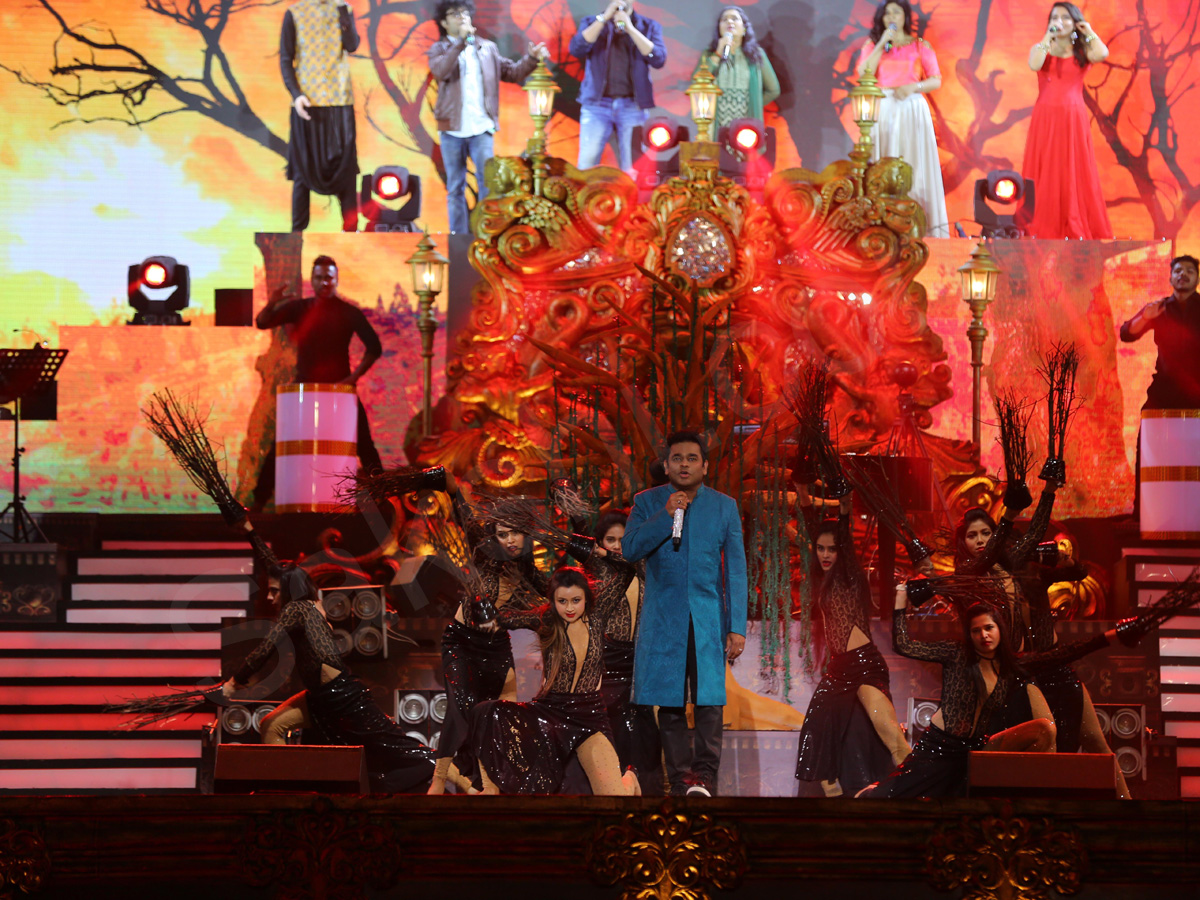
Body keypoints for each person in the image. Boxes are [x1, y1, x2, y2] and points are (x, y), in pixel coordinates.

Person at [222, 564, 436, 792]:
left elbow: (267, 647)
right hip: (319, 697)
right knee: (271, 725)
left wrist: (235, 682)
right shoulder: (311, 604)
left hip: (341, 696)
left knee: (404, 750)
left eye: (274, 591)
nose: (268, 597)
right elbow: (276, 566)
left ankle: (452, 777)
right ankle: (287, 791)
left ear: (289, 589)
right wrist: (252, 538)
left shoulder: (296, 608)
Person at [622, 431, 748, 797]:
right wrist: (665, 515)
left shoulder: (723, 506)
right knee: (670, 699)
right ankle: (679, 780)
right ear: (666, 465)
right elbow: (630, 549)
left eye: (692, 458)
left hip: (708, 617)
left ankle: (704, 777)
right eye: (677, 458)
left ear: (705, 466)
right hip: (664, 618)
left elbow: (735, 571)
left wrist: (736, 626)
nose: (684, 465)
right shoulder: (647, 502)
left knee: (709, 698)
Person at [864, 592, 1060, 798]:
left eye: (989, 628)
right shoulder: (957, 653)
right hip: (940, 748)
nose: (984, 635)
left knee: (1044, 728)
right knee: (889, 797)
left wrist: (1088, 644)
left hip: (976, 749)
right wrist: (900, 599)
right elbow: (904, 645)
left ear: (999, 629)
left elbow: (1057, 656)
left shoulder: (1009, 667)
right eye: (976, 630)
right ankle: (869, 793)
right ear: (970, 635)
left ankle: (1029, 802)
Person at [426, 474, 550, 794]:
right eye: (503, 533)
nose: (510, 540)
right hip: (462, 642)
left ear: (526, 534)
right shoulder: (484, 551)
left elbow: (559, 595)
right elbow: (463, 512)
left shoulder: (527, 570)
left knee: (495, 715)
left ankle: (486, 784)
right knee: (461, 706)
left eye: (516, 533)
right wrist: (451, 486)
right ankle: (439, 781)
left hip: (496, 648)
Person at [471, 567, 641, 795]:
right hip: (551, 713)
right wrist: (485, 613)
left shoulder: (598, 615)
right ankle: (488, 789)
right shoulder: (547, 621)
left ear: (586, 598)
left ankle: (630, 779)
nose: (569, 608)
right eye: (562, 601)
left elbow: (626, 570)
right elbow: (507, 619)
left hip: (590, 717)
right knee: (486, 712)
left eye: (576, 600)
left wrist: (596, 551)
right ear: (553, 601)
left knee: (613, 797)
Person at [794, 488, 910, 797]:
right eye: (821, 549)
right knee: (815, 729)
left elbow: (844, 543)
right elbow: (812, 530)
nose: (825, 555)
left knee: (892, 738)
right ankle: (833, 796)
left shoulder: (849, 576)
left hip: (864, 665)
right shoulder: (822, 580)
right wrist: (803, 497)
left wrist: (845, 512)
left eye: (832, 549)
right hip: (839, 670)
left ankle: (920, 793)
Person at [252, 256, 382, 509]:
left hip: (338, 389)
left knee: (364, 444)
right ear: (312, 281)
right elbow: (262, 322)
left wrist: (352, 378)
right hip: (304, 389)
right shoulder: (299, 308)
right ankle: (259, 502)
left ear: (336, 280)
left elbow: (374, 348)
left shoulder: (349, 312)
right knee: (281, 443)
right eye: (319, 278)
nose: (324, 282)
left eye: (329, 278)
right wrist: (273, 302)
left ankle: (384, 497)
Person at [428, 1, 548, 235]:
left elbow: (512, 73)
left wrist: (532, 59)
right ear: (444, 22)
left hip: (481, 127)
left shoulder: (486, 48)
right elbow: (441, 72)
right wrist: (461, 42)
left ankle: (486, 234)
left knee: (488, 183)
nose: (461, 17)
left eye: (464, 13)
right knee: (455, 187)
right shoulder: (439, 49)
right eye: (454, 14)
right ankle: (458, 237)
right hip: (452, 129)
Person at [855, 1, 948, 238]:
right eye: (887, 13)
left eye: (896, 12)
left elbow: (935, 79)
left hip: (911, 107)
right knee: (882, 162)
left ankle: (920, 224)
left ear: (906, 16)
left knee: (914, 161)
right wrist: (881, 43)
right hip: (882, 107)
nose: (891, 16)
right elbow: (863, 73)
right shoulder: (873, 45)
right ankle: (880, 226)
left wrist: (913, 87)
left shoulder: (919, 45)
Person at [1019, 3, 1112, 239]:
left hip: (1073, 117)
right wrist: (1047, 37)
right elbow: (1034, 64)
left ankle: (1072, 222)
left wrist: (1088, 31)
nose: (1059, 21)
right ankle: (1041, 225)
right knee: (1044, 169)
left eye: (1065, 18)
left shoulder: (1083, 51)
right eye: (1054, 17)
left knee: (1072, 168)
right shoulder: (1041, 48)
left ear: (1075, 23)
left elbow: (1102, 53)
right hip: (1045, 117)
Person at [280, 0, 360, 232]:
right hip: (308, 103)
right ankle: (297, 234)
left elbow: (352, 45)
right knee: (302, 170)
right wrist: (296, 95)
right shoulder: (295, 13)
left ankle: (352, 232)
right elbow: (286, 59)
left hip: (340, 101)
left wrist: (343, 13)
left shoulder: (343, 9)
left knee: (346, 170)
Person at [569, 1, 667, 172]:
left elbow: (658, 59)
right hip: (596, 105)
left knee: (634, 167)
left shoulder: (648, 26)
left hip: (632, 106)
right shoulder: (592, 22)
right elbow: (577, 49)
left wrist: (630, 29)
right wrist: (604, 18)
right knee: (587, 165)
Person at [1119, 255, 1200, 410]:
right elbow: (1126, 334)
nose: (1183, 274)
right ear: (1170, 279)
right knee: (1149, 422)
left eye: (1189, 271)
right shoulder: (1158, 307)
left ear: (1197, 280)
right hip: (1164, 389)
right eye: (1178, 271)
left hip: (1197, 389)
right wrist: (1145, 318)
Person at [701, 7, 780, 131]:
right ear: (719, 29)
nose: (729, 22)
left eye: (734, 19)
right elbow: (697, 83)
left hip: (746, 127)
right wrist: (718, 52)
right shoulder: (709, 54)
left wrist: (753, 104)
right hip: (715, 125)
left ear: (744, 29)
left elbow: (773, 90)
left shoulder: (756, 55)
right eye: (724, 20)